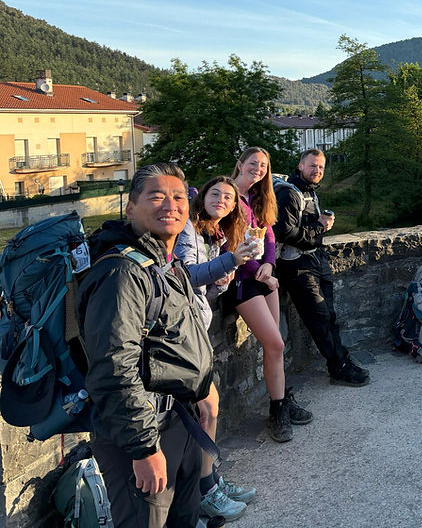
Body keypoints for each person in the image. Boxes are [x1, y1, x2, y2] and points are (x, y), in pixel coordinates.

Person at [78, 163, 213, 527]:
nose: (170, 204)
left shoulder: (164, 264)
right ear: (130, 208)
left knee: (184, 519)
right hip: (141, 432)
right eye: (156, 196)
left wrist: (201, 388)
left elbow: (177, 340)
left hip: (179, 421)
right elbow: (112, 368)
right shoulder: (122, 273)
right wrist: (143, 448)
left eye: (179, 196)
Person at [175, 176, 260, 521]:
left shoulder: (211, 234)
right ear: (202, 196)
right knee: (205, 410)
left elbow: (204, 291)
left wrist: (221, 283)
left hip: (196, 329)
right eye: (216, 194)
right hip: (181, 334)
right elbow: (184, 277)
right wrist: (230, 263)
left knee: (208, 409)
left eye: (228, 197)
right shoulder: (186, 231)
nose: (223, 200)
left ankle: (209, 482)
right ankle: (204, 490)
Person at [230, 146, 312, 443]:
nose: (258, 169)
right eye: (253, 164)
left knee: (275, 346)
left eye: (263, 165)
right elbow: (231, 242)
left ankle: (281, 401)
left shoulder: (260, 197)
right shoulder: (229, 196)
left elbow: (269, 235)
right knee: (275, 343)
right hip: (243, 280)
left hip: (265, 276)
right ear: (240, 164)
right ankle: (277, 412)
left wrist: (269, 264)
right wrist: (257, 270)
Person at [273, 148, 369, 386]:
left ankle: (341, 361)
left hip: (316, 259)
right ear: (300, 166)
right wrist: (320, 226)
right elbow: (284, 232)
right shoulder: (290, 194)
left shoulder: (308, 192)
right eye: (313, 166)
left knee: (329, 316)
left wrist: (318, 228)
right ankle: (338, 368)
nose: (317, 171)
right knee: (320, 317)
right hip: (296, 264)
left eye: (321, 168)